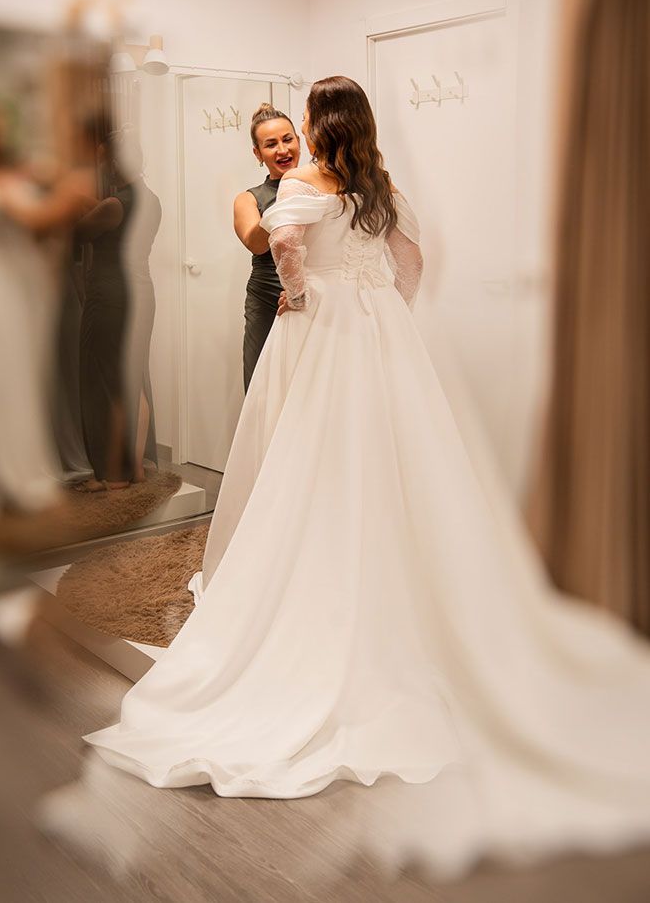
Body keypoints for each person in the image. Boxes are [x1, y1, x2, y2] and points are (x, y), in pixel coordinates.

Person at [84, 77, 650, 870]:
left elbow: (281, 242)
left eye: (306, 121)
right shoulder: (378, 184)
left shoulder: (304, 181)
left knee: (310, 459)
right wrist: (390, 304)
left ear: (317, 125)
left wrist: (300, 291)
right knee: (398, 457)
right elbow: (413, 256)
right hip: (381, 328)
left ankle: (314, 581)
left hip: (324, 329)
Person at [0, 96, 90, 524]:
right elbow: (29, 217)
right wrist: (65, 197)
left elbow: (33, 225)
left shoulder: (11, 172)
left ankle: (11, 473)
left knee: (10, 377)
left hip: (11, 288)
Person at [76, 127, 161, 490]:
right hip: (142, 292)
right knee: (132, 378)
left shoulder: (114, 205)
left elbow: (79, 231)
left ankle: (114, 474)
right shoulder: (151, 199)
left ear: (112, 162)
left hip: (111, 296)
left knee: (106, 381)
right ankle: (136, 467)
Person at [233, 102, 300, 391]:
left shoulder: (321, 185)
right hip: (266, 300)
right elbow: (256, 244)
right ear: (258, 154)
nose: (283, 150)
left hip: (311, 295)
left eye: (288, 139)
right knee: (263, 386)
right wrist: (287, 197)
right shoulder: (248, 198)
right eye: (271, 145)